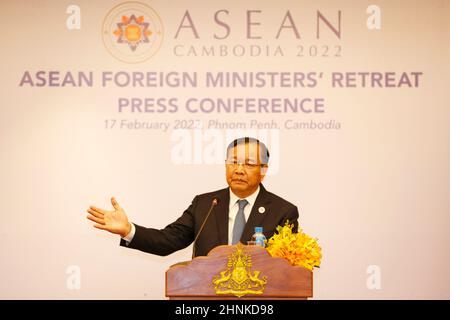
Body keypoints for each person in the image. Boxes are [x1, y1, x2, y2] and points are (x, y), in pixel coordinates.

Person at [86, 137, 299, 257]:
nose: (239, 169)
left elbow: (287, 265)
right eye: (233, 162)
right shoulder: (205, 204)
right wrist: (129, 230)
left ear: (263, 170)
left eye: (249, 163)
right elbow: (167, 241)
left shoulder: (283, 211)